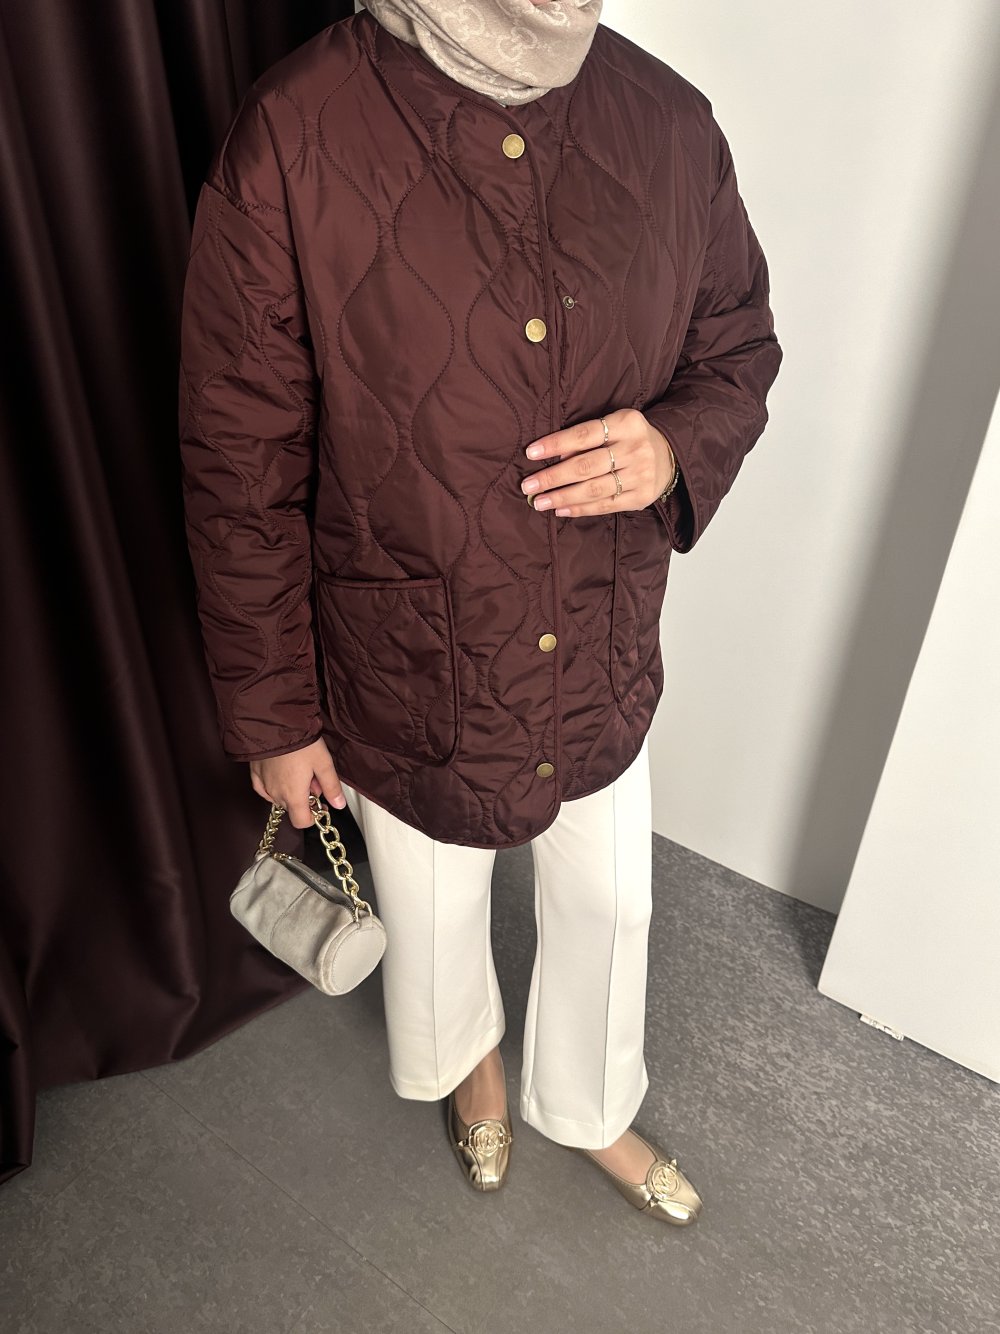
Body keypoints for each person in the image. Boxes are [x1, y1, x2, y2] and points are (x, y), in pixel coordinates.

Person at [177, 0, 782, 1225]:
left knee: (612, 899)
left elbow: (735, 343)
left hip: (595, 628)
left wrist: (674, 445)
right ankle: (469, 1064)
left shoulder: (665, 121)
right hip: (405, 646)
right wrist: (277, 716)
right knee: (433, 902)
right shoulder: (297, 131)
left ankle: (590, 1103)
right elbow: (240, 460)